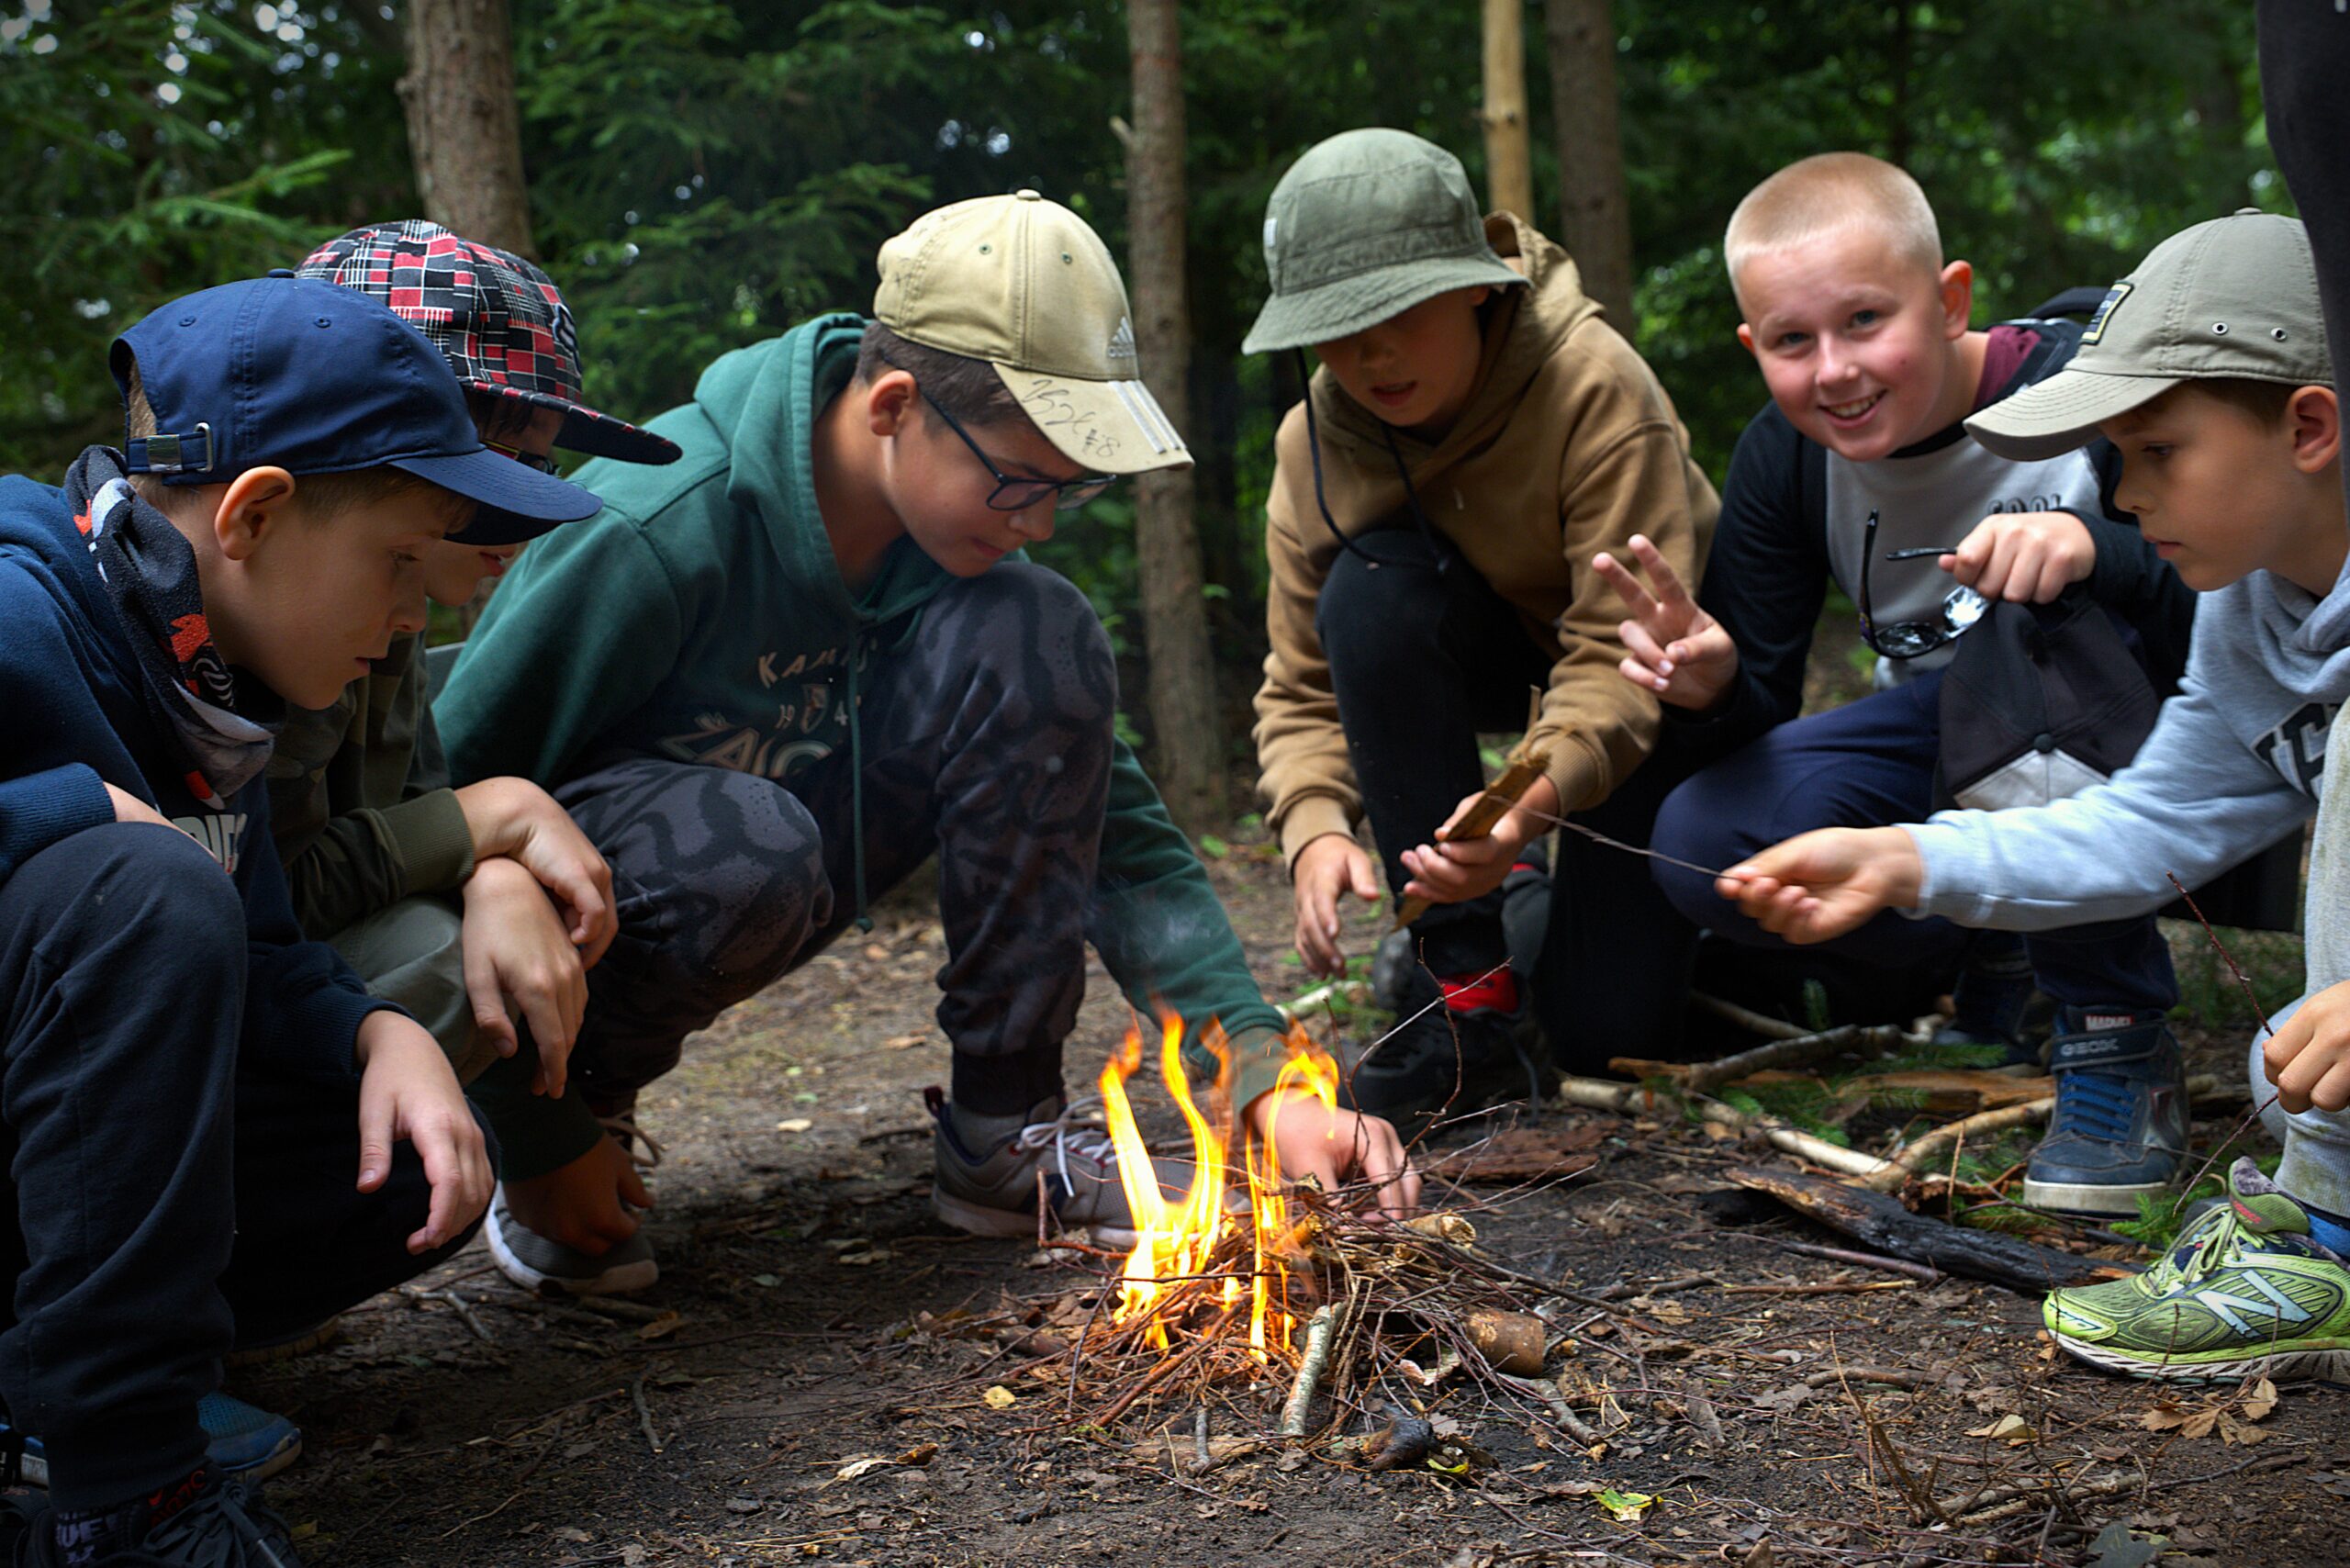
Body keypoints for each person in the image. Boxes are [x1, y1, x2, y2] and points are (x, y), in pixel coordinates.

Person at [432, 189, 1419, 1295]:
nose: (1040, 521)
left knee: (1041, 622)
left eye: (1070, 489)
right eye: (1020, 481)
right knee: (739, 844)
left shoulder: (954, 559)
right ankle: (586, 1110)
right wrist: (538, 1131)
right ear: (895, 404)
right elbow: (440, 817)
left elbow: (1118, 838)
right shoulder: (653, 532)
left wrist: (1259, 1071)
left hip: (779, 859)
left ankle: (1003, 1131)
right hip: (598, 934)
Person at [0, 273, 596, 1563]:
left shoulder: (201, 685)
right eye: (397, 564)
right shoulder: (22, 614)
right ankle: (125, 1497)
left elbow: (262, 937)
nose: (410, 622)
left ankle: (62, 1399)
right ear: (257, 514)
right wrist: (55, 810)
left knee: (392, 1148)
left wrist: (376, 1035)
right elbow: (139, 882)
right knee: (138, 887)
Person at [1713, 206, 2350, 1375]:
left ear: (2307, 426)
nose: (2125, 495)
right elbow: (2154, 820)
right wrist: (1905, 858)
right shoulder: (2248, 612)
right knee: (2283, 1069)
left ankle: (2329, 1239)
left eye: (2157, 455)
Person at [1598, 151, 2197, 1215]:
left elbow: (2238, 592)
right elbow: (1758, 712)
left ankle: (2116, 1039)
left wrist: (2093, 548)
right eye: (1791, 342)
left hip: (2150, 730)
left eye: (1866, 322)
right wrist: (1712, 679)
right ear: (1754, 348)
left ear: (1949, 298)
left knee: (2031, 631)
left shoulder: (2087, 387)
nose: (1832, 370)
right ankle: (2002, 955)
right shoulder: (1786, 458)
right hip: (1954, 731)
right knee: (1704, 840)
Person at [1245, 128, 1718, 1127]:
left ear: (1474, 284)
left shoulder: (1594, 385)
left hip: (1667, 686)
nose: (1369, 356)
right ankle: (1464, 988)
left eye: (1398, 315)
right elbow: (1300, 683)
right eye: (1334, 328)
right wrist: (1315, 832)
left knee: (1610, 1030)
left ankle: (1548, 898)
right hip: (1490, 651)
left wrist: (1523, 809)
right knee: (1369, 592)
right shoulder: (1314, 445)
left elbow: (1615, 655)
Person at [269, 221, 681, 1293]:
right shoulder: (272, 622)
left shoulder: (390, 624)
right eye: (483, 460)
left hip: (287, 999)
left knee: (473, 933)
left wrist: (490, 862)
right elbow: (253, 898)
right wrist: (487, 820)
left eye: (537, 463)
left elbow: (406, 812)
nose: (520, 507)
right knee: (440, 959)